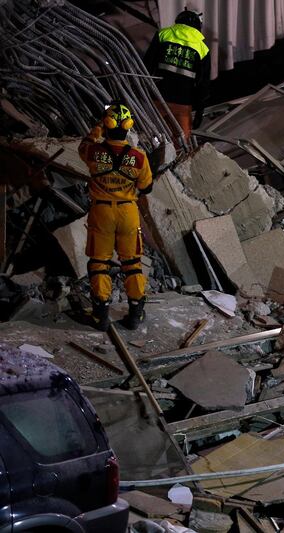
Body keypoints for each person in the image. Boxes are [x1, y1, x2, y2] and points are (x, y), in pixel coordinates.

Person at [78, 103, 153, 332]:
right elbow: (147, 187)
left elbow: (84, 144)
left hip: (101, 212)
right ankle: (135, 313)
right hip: (128, 212)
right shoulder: (138, 157)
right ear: (129, 127)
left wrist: (98, 127)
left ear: (107, 124)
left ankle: (101, 315)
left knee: (99, 262)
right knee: (131, 262)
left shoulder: (93, 152)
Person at [144, 8, 210, 141]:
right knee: (181, 144)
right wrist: (199, 111)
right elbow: (203, 85)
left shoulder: (163, 35)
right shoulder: (202, 48)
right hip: (183, 104)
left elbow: (146, 66)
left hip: (158, 98)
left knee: (151, 138)